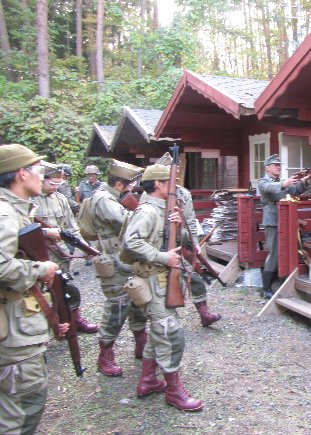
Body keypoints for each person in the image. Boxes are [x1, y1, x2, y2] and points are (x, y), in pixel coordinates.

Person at [122, 163, 204, 412]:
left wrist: (180, 226)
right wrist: (162, 257)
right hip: (152, 279)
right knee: (171, 335)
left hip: (163, 280)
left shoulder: (165, 210)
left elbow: (177, 242)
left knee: (159, 332)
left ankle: (148, 380)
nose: (175, 187)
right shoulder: (147, 210)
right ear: (158, 184)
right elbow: (131, 243)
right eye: (170, 183)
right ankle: (173, 391)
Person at [0, 144, 63, 434]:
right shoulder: (5, 214)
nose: (42, 176)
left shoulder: (16, 210)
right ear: (21, 174)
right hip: (12, 331)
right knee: (23, 409)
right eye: (38, 170)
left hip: (17, 322)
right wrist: (41, 269)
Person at [89, 159, 148, 376]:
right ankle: (105, 355)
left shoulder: (113, 197)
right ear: (119, 185)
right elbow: (127, 222)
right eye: (130, 185)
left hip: (126, 260)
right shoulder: (104, 199)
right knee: (117, 307)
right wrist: (147, 213)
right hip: (114, 263)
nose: (132, 189)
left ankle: (141, 344)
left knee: (138, 300)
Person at [32, 161, 99, 333]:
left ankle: (73, 320)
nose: (55, 187)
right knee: (40, 293)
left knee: (66, 286)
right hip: (38, 254)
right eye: (52, 183)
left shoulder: (60, 199)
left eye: (58, 184)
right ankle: (46, 328)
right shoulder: (31, 198)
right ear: (42, 179)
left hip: (60, 253)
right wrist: (46, 232)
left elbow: (71, 226)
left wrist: (85, 247)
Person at [155, 152, 221, 326]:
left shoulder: (183, 193)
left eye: (174, 170)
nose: (173, 173)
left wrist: (195, 243)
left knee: (195, 279)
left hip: (178, 243)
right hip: (156, 247)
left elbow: (191, 220)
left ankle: (204, 314)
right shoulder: (153, 194)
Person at [257, 154, 311, 298]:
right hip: (272, 221)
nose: (278, 167)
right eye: (275, 165)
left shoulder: (281, 182)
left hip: (285, 220)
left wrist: (305, 181)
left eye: (279, 165)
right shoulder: (263, 181)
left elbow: (295, 191)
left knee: (286, 251)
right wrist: (284, 184)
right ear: (267, 168)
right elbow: (268, 188)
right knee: (274, 253)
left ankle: (277, 282)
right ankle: (266, 288)